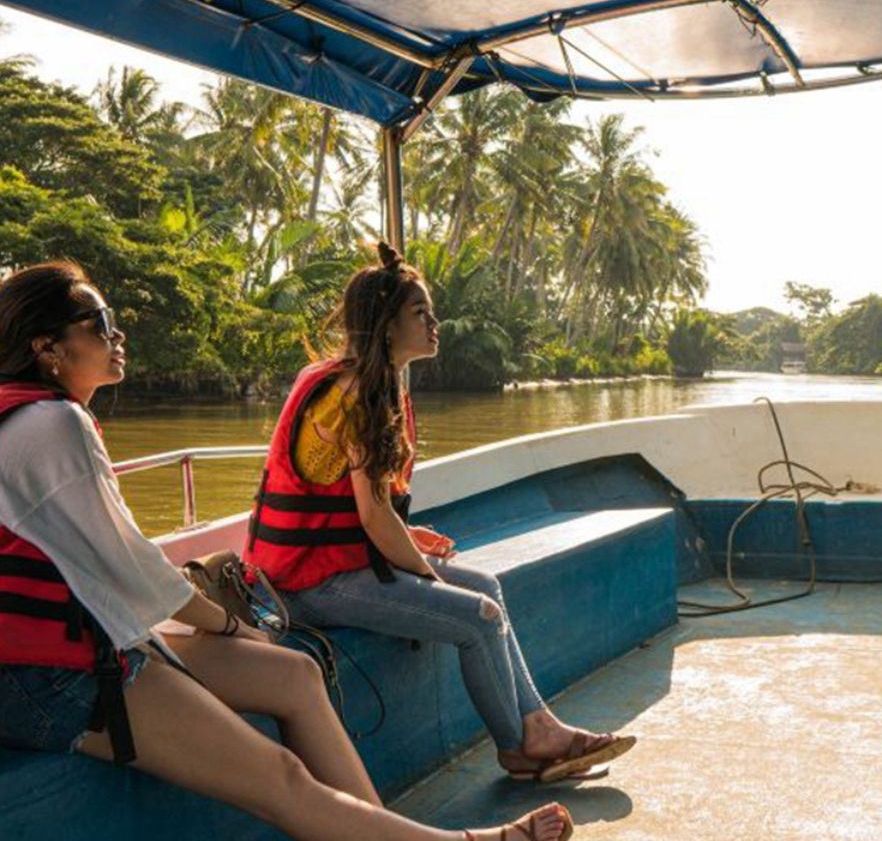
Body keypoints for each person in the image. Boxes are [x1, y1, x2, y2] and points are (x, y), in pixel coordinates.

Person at [0, 261, 571, 841]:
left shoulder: (33, 419)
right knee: (282, 777)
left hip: (76, 646)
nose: (118, 334)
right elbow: (136, 574)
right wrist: (232, 626)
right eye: (100, 322)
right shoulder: (54, 426)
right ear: (47, 347)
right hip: (43, 678)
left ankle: (382, 827)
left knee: (294, 673)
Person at [243, 242, 635, 783]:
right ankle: (519, 748)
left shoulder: (370, 384)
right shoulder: (355, 397)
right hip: (304, 584)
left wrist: (409, 539)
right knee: (478, 616)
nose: (435, 324)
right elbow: (375, 519)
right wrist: (426, 575)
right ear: (387, 325)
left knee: (486, 585)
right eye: (420, 313)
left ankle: (539, 724)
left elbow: (368, 509)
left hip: (335, 565)